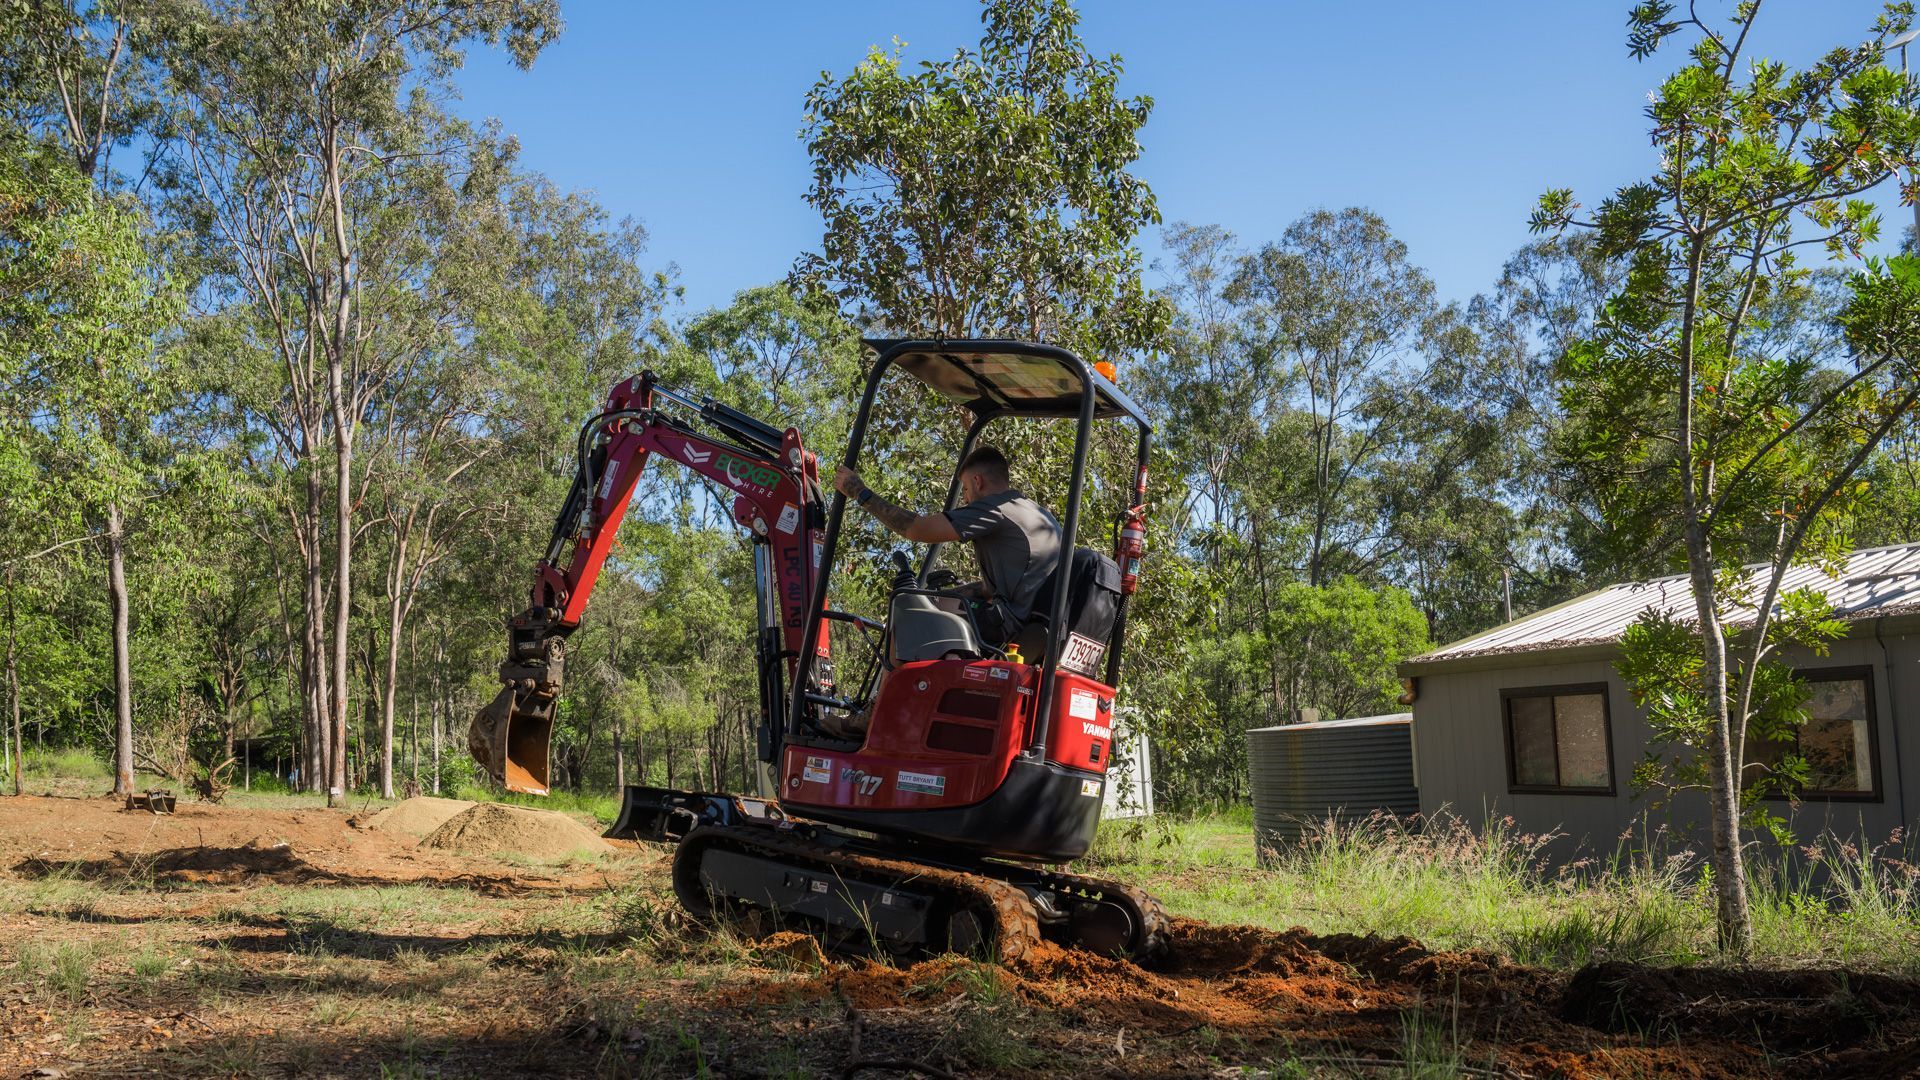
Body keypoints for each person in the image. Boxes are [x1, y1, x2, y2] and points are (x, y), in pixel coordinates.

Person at [834, 444, 1062, 644]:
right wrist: (941, 596)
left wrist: (859, 492)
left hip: (1008, 625)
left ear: (977, 481)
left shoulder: (995, 509)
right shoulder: (1038, 514)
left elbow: (917, 529)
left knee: (910, 618)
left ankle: (890, 693)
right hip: (1032, 624)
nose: (965, 499)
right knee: (937, 608)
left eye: (964, 489)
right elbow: (991, 590)